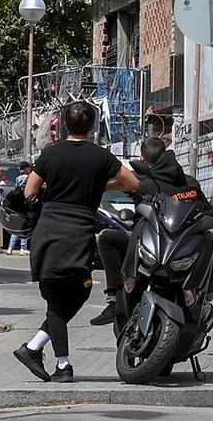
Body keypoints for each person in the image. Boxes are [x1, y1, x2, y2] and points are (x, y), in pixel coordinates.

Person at [14, 102, 139, 383]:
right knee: (78, 291)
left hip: (49, 232)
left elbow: (30, 190)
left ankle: (47, 355)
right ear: (92, 126)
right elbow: (132, 183)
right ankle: (56, 361)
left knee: (56, 298)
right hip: (80, 233)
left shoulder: (50, 153)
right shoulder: (101, 157)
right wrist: (100, 185)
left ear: (65, 126)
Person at [90, 137, 204, 327]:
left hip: (153, 243)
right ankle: (191, 291)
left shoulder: (142, 182)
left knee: (107, 238)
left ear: (143, 158)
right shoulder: (189, 182)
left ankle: (114, 296)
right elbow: (204, 209)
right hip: (175, 247)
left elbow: (111, 185)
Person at [7, 162, 33, 254]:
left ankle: (10, 247)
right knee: (25, 225)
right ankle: (23, 247)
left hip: (18, 204)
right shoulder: (29, 177)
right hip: (26, 203)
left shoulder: (18, 178)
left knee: (16, 226)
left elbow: (16, 189)